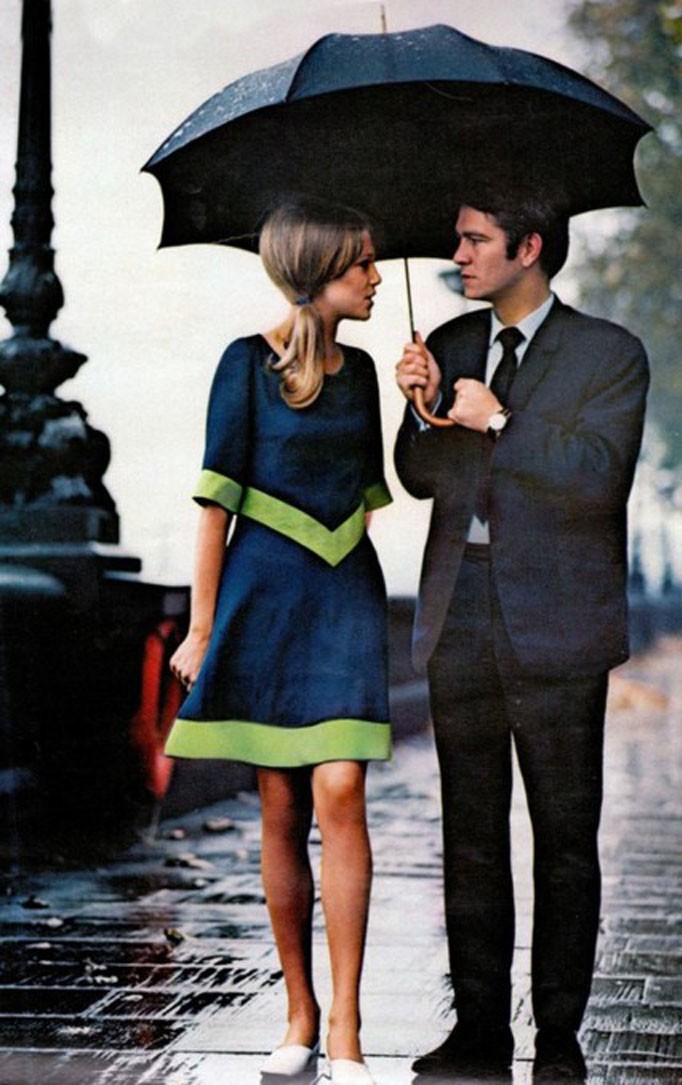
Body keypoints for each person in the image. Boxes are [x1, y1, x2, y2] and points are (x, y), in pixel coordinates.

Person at [394, 187, 649, 1083]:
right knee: (468, 831)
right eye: (457, 239)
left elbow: (595, 477)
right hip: (459, 613)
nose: (457, 255)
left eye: (474, 240)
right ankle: (477, 1029)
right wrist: (424, 404)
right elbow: (420, 478)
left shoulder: (609, 354)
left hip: (561, 626)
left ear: (528, 246)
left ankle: (560, 1035)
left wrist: (497, 419)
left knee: (564, 834)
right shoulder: (455, 344)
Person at [166, 195, 390, 1085]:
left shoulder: (369, 371)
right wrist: (200, 628)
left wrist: (419, 404)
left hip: (344, 592)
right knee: (280, 807)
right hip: (264, 596)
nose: (375, 277)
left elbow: (376, 489)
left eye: (373, 263)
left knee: (340, 790)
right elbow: (216, 506)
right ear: (317, 272)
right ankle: (297, 1011)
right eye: (361, 263)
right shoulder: (242, 366)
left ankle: (347, 1026)